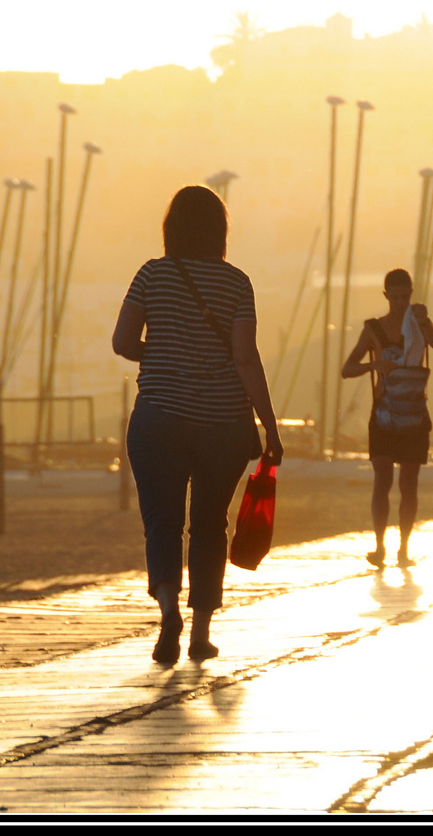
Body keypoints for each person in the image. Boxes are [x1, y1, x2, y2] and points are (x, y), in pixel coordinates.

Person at [112, 185, 282, 664]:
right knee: (209, 525)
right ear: (220, 230)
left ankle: (168, 609)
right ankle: (201, 632)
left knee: (161, 522)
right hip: (222, 423)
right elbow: (246, 358)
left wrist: (159, 351)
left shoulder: (152, 274)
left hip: (158, 420)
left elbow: (123, 341)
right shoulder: (236, 283)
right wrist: (271, 427)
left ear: (171, 228)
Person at [341, 268, 433, 568]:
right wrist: (376, 364)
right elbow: (347, 369)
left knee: (409, 484)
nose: (401, 302)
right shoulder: (373, 330)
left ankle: (403, 548)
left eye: (406, 296)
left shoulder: (418, 326)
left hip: (415, 415)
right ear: (386, 296)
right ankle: (379, 547)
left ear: (411, 294)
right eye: (396, 296)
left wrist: (426, 323)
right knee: (382, 480)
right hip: (383, 415)